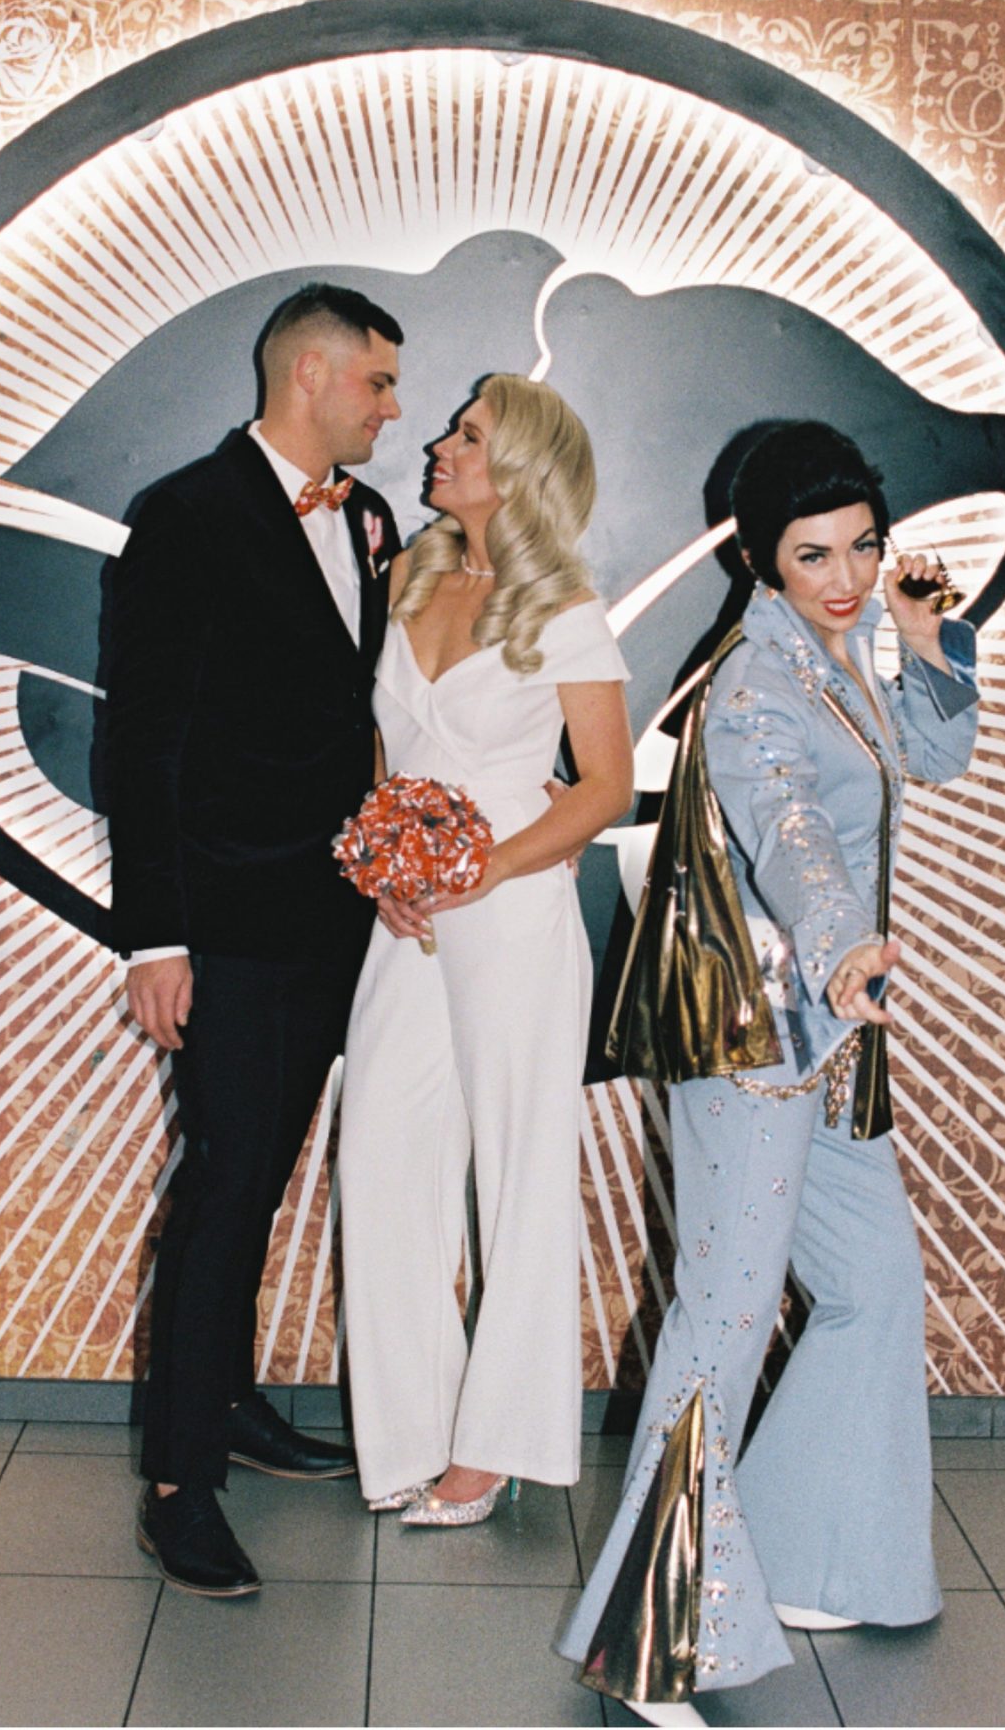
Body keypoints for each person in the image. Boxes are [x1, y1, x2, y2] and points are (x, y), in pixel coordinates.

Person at [558, 421, 980, 1718]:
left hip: (828, 1040)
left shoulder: (837, 650)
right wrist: (846, 943)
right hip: (757, 1047)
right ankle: (652, 1636)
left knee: (872, 1288)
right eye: (816, 554)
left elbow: (937, 752)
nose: (847, 574)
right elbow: (788, 824)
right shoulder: (754, 680)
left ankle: (810, 1550)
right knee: (725, 1320)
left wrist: (928, 646)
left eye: (863, 546)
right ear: (762, 556)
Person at [107, 282, 404, 1597]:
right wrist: (153, 937)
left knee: (263, 1180)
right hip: (227, 929)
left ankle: (226, 1400)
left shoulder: (373, 519)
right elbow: (142, 745)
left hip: (341, 921)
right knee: (228, 1187)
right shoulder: (184, 516)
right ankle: (180, 1484)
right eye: (379, 385)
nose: (395, 409)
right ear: (312, 375)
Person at [336, 374, 635, 1524]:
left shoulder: (566, 608)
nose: (439, 447)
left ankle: (497, 1442)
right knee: (382, 1160)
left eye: (468, 436)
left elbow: (602, 785)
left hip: (510, 913)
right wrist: (387, 872)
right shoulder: (407, 573)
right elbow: (385, 746)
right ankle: (409, 1432)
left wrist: (490, 866)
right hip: (408, 918)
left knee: (518, 1171)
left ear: (519, 471)